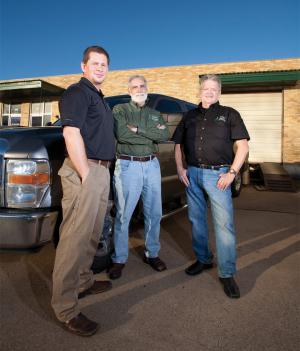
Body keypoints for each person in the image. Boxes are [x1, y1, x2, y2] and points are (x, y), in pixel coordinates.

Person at [51, 46, 115, 336]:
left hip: (100, 171)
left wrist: (99, 174)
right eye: (95, 63)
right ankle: (66, 309)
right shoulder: (77, 92)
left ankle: (84, 281)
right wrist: (87, 174)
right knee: (74, 240)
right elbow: (71, 133)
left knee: (92, 234)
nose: (100, 68)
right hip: (84, 171)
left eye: (104, 64)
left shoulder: (98, 98)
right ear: (84, 66)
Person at [172, 74, 249, 299]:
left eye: (214, 88)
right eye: (206, 88)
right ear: (200, 91)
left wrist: (232, 173)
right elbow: (178, 145)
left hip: (219, 176)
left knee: (224, 226)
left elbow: (242, 147)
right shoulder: (189, 116)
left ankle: (226, 273)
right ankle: (203, 260)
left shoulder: (230, 114)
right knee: (196, 221)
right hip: (193, 174)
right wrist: (180, 168)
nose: (209, 91)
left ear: (219, 92)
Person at [108, 75, 169, 280]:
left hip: (152, 165)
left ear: (147, 88)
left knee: (154, 213)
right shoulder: (120, 110)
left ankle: (152, 254)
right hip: (128, 165)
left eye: (142, 85)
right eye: (134, 86)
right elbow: (123, 134)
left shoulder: (155, 113)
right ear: (129, 90)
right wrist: (150, 132)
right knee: (124, 214)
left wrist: (139, 129)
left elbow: (163, 135)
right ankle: (119, 259)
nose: (139, 88)